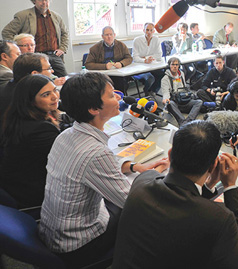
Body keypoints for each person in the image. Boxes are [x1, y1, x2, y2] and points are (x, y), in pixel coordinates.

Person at [39, 72, 169, 268]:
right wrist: (156, 172)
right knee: (153, 218)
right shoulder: (95, 152)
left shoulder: (67, 134)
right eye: (110, 95)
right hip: (77, 245)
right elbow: (135, 202)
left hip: (54, 231)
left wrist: (132, 166)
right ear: (93, 108)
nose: (118, 97)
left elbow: (94, 166)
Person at [112, 121, 238, 268]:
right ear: (212, 166)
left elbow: (183, 199)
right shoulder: (219, 219)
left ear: (170, 154)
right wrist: (230, 187)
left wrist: (209, 185)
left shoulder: (142, 180)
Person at [0, 75, 60, 209]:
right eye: (46, 94)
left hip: (15, 184)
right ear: (31, 101)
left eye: (55, 90)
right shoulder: (40, 130)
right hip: (33, 194)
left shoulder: (20, 116)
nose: (55, 96)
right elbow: (68, 159)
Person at [2, 0, 69, 77]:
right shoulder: (23, 16)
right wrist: (18, 48)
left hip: (54, 55)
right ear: (34, 1)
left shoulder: (56, 17)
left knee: (64, 79)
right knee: (38, 81)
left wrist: (62, 48)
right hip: (35, 56)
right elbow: (7, 32)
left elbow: (65, 33)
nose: (44, 2)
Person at [85, 26, 133, 94]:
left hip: (118, 73)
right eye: (107, 35)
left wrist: (121, 63)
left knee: (122, 83)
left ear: (114, 35)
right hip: (102, 75)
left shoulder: (121, 45)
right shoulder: (95, 48)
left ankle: (120, 100)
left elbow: (129, 58)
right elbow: (88, 64)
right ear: (102, 36)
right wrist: (105, 66)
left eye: (111, 34)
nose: (109, 37)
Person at [161, 57, 202, 126]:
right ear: (169, 66)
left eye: (177, 65)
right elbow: (165, 92)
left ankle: (189, 120)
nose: (175, 66)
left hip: (184, 100)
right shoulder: (165, 79)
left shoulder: (181, 74)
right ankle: (182, 121)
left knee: (199, 102)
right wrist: (166, 99)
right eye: (173, 64)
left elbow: (184, 87)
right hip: (175, 103)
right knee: (170, 103)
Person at [132, 22, 164, 97]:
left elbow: (159, 55)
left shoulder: (156, 39)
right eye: (147, 30)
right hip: (139, 67)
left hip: (152, 65)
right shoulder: (137, 40)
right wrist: (145, 60)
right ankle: (146, 91)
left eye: (151, 30)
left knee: (163, 74)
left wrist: (144, 57)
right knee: (150, 78)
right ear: (143, 30)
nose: (149, 32)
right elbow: (135, 58)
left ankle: (153, 91)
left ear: (154, 31)